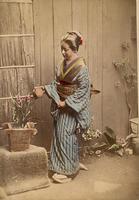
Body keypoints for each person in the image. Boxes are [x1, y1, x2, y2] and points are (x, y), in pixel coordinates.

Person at [33, 31, 91, 183]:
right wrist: (45, 89)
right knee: (59, 135)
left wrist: (67, 103)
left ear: (74, 49)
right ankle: (67, 165)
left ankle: (68, 171)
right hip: (60, 104)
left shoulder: (82, 67)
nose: (63, 52)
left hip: (71, 107)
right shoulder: (60, 65)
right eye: (62, 49)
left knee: (66, 134)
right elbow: (56, 84)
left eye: (66, 49)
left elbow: (83, 90)